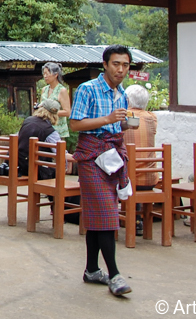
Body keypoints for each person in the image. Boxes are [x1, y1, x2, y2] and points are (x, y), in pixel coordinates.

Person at [69, 44, 136, 297]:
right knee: (107, 214)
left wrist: (124, 125)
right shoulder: (88, 89)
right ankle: (116, 275)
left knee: (98, 216)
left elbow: (115, 125)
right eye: (116, 64)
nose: (121, 69)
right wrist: (108, 119)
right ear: (105, 64)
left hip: (113, 156)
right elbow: (75, 124)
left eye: (125, 65)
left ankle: (92, 270)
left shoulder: (122, 94)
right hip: (90, 157)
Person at [122, 84, 158, 235]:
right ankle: (138, 220)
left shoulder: (125, 118)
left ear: (127, 100)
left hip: (128, 180)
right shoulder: (152, 118)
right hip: (150, 178)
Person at [17, 98, 74, 179]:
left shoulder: (27, 121)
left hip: (19, 167)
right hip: (37, 171)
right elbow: (61, 153)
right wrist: (78, 159)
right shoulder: (49, 131)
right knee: (58, 173)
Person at [40, 62, 71, 141]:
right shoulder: (44, 89)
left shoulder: (62, 90)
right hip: (44, 128)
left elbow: (67, 112)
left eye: (47, 73)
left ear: (55, 75)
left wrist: (50, 112)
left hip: (57, 130)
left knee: (57, 152)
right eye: (44, 74)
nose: (45, 76)